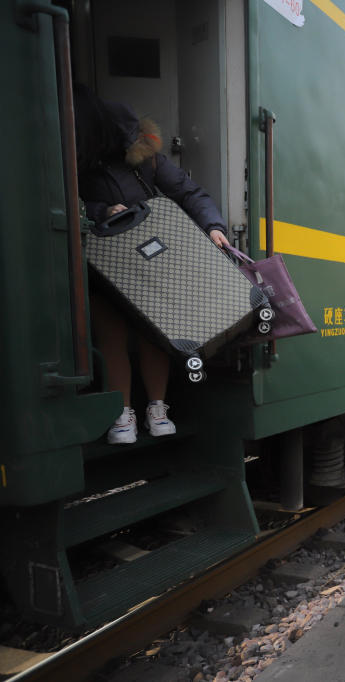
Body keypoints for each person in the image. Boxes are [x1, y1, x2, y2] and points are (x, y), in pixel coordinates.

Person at [74, 85, 231, 444]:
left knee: (154, 336)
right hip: (107, 261)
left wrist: (214, 227)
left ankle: (154, 408)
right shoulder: (128, 154)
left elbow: (189, 192)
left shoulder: (134, 158)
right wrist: (101, 212)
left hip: (147, 258)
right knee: (113, 336)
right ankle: (124, 413)